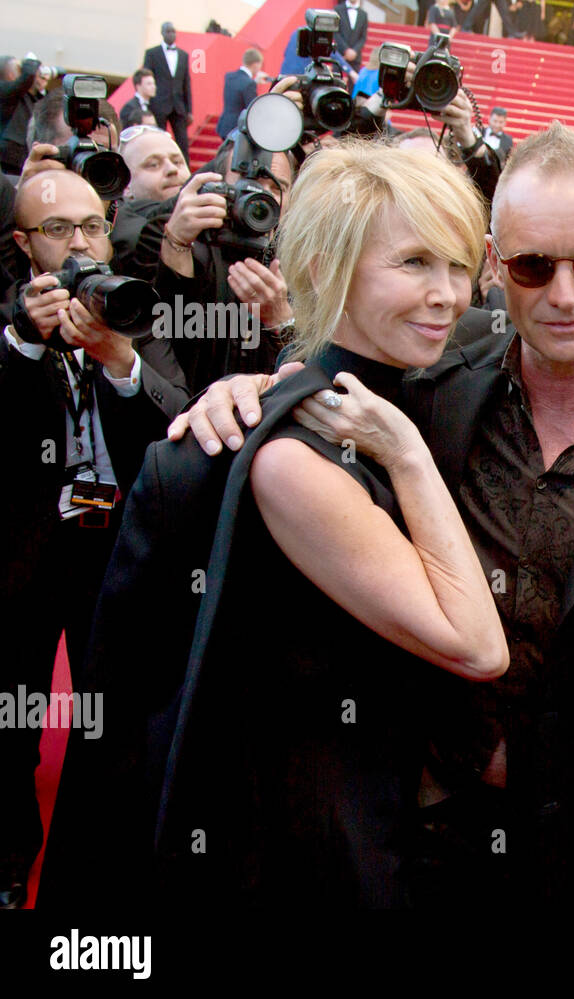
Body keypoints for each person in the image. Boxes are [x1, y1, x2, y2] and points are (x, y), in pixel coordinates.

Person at [159, 122, 574, 909]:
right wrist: (249, 393)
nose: (566, 294)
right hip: (395, 813)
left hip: (568, 835)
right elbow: (328, 374)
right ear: (493, 264)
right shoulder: (433, 372)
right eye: (534, 265)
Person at [40, 140, 509, 909]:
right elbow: (477, 646)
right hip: (317, 846)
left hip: (393, 816)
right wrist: (408, 453)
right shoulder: (296, 456)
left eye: (459, 265)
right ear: (324, 268)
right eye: (415, 263)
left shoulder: (384, 389)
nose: (448, 294)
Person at [0, 168, 188, 910]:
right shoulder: (9, 321)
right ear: (22, 244)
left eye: (91, 224)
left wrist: (120, 361)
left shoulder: (135, 309)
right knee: (13, 718)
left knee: (113, 716)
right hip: (21, 553)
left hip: (112, 550)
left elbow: (181, 416)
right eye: (57, 230)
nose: (79, 242)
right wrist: (21, 342)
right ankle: (10, 869)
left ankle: (103, 870)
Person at [142, 22, 193, 161]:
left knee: (182, 143)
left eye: (173, 31)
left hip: (178, 106)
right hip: (158, 104)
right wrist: (148, 104)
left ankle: (186, 174)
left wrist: (189, 110)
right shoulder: (152, 53)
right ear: (162, 33)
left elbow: (186, 83)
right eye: (168, 31)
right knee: (158, 141)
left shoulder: (183, 55)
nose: (171, 34)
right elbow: (146, 77)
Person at [217, 48, 262, 139]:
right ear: (255, 64)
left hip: (225, 124)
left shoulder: (229, 77)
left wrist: (254, 81)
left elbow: (240, 88)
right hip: (237, 129)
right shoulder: (249, 84)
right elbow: (251, 108)